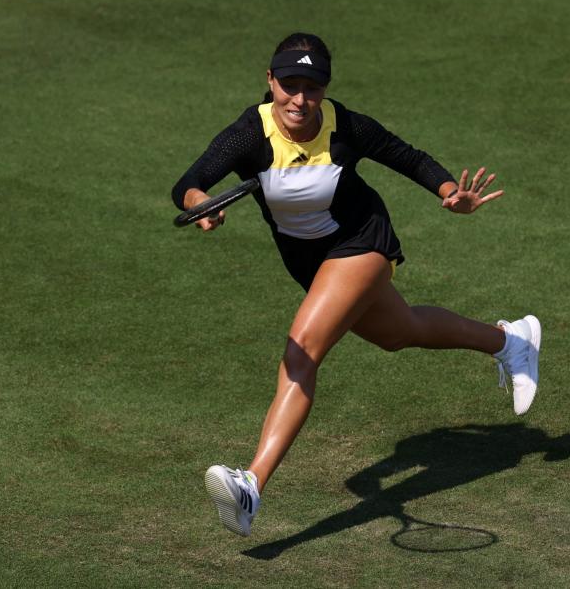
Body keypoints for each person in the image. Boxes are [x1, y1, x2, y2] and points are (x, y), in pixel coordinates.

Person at [170, 32, 542, 538]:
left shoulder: (346, 126)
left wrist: (452, 192)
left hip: (361, 242)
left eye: (313, 87)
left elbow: (407, 157)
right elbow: (190, 182)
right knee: (399, 331)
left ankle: (251, 486)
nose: (300, 99)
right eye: (290, 85)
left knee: (301, 353)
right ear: (270, 80)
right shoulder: (247, 134)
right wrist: (200, 206)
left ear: (325, 88)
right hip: (309, 261)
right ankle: (511, 340)